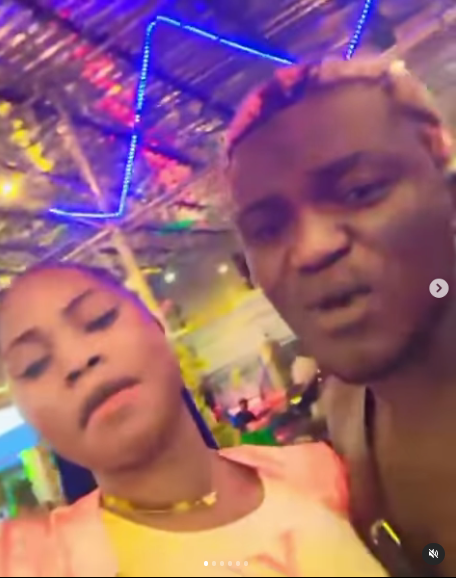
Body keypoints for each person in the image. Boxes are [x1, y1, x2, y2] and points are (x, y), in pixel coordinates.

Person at [0, 262, 387, 577]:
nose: (76, 361)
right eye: (33, 365)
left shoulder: (317, 473)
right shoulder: (32, 563)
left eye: (98, 319)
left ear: (156, 326)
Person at [226, 55, 456, 576]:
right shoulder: (346, 416)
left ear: (448, 191)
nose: (312, 249)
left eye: (359, 190)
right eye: (268, 229)